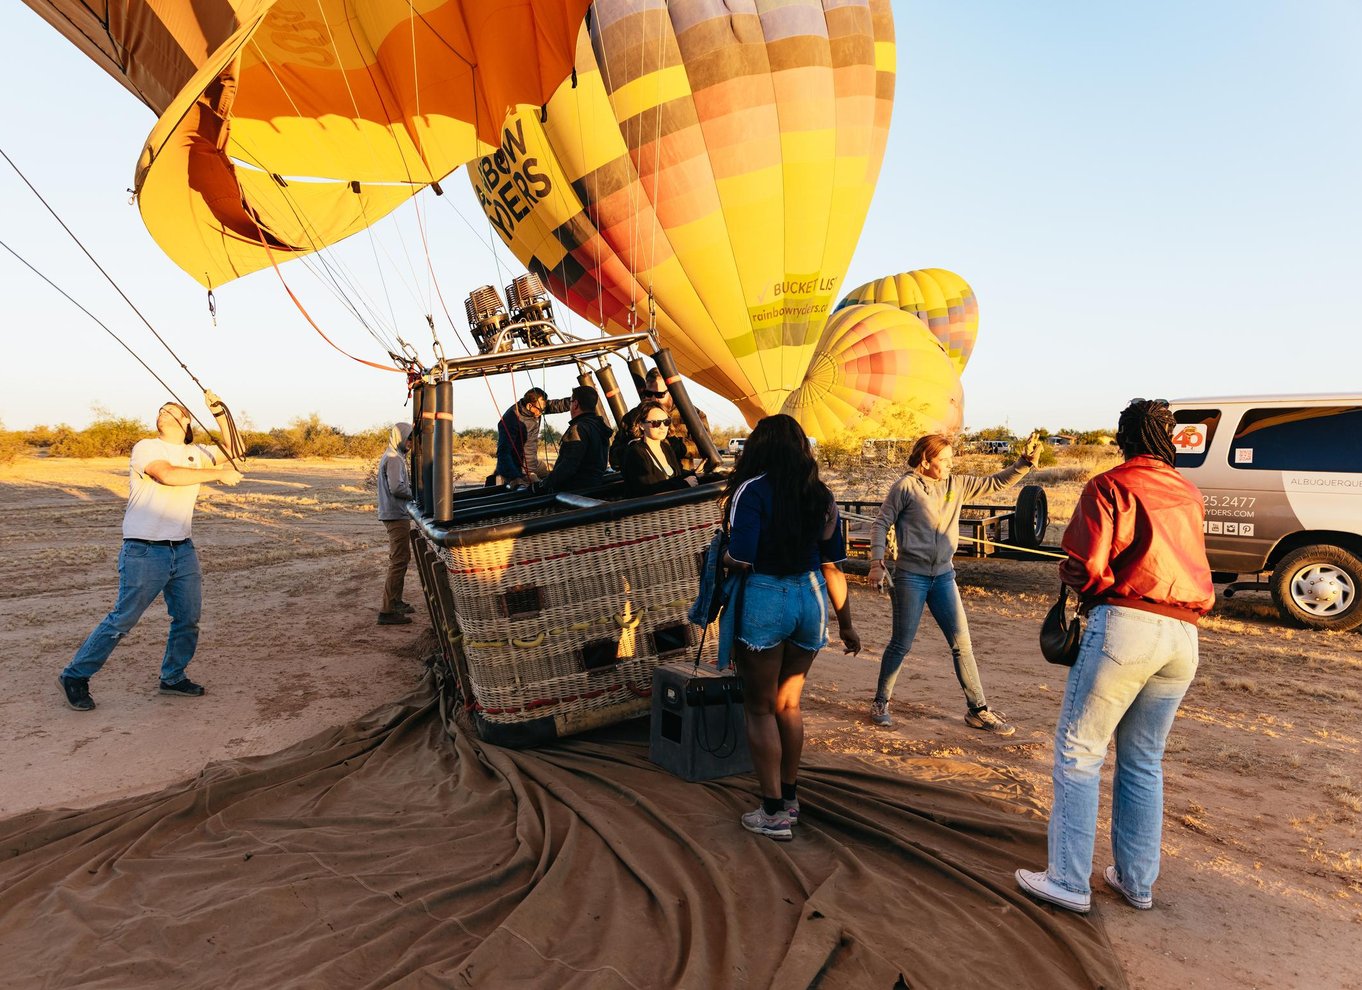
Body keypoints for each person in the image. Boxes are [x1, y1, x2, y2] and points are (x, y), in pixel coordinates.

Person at [1016, 399, 1214, 914]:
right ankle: (1136, 881)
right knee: (1144, 760)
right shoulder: (1188, 492)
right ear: (1168, 438)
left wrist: (1073, 583)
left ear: (1123, 436)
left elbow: (1085, 563)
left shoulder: (1110, 485)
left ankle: (1067, 879)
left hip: (1126, 624)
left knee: (1081, 750)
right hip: (1184, 636)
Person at [721, 414, 861, 841]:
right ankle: (792, 796)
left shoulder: (751, 491)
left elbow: (742, 556)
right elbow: (832, 564)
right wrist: (847, 625)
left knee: (759, 708)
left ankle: (772, 812)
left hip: (766, 597)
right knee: (789, 706)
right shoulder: (820, 494)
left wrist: (717, 558)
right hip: (812, 599)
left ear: (758, 447)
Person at [57, 401, 244, 711]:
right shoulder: (146, 447)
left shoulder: (196, 454)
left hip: (182, 549)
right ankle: (75, 676)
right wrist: (217, 474)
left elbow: (236, 452)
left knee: (188, 619)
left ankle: (172, 677)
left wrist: (221, 413)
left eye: (172, 409)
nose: (163, 411)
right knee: (123, 620)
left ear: (186, 422)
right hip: (144, 550)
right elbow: (166, 474)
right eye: (161, 409)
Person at [867, 432, 1042, 735]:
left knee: (962, 644)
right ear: (926, 460)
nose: (951, 464)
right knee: (902, 643)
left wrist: (1023, 463)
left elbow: (995, 482)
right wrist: (876, 562)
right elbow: (881, 523)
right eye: (944, 460)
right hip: (910, 576)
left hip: (944, 576)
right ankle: (880, 702)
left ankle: (978, 710)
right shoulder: (905, 487)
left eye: (951, 459)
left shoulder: (955, 484)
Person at [609, 368, 713, 473]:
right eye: (649, 394)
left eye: (659, 395)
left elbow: (707, 447)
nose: (654, 399)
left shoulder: (690, 414)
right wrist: (637, 448)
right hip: (645, 479)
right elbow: (614, 458)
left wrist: (671, 445)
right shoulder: (632, 417)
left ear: (671, 392)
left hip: (681, 478)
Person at [534, 385, 611, 494]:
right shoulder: (599, 426)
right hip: (594, 488)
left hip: (574, 491)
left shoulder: (578, 429)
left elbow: (568, 467)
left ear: (575, 404)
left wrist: (542, 485)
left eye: (570, 402)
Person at [377, 422, 416, 626]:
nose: (411, 442)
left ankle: (396, 602)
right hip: (396, 514)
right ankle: (387, 610)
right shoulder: (394, 459)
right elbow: (396, 488)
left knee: (401, 558)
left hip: (394, 513)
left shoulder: (394, 455)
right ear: (401, 438)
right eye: (409, 438)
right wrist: (416, 493)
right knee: (399, 561)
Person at [621, 400, 699, 497]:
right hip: (650, 511)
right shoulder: (635, 453)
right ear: (641, 425)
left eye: (666, 422)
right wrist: (684, 484)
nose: (662, 427)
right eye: (656, 423)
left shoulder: (666, 448)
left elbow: (676, 477)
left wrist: (698, 474)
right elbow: (645, 491)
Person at [496, 387, 571, 486]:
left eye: (543, 409)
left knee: (557, 473)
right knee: (540, 488)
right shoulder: (511, 420)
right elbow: (503, 453)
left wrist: (578, 399)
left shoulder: (537, 408)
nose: (541, 412)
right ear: (529, 405)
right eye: (540, 410)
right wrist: (515, 477)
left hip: (533, 463)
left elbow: (557, 405)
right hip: (519, 469)